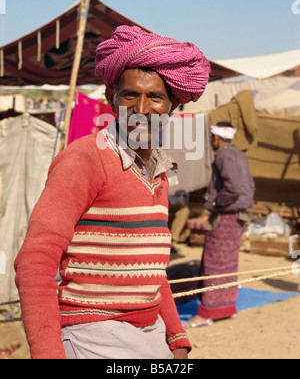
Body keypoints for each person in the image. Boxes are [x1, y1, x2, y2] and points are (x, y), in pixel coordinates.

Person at [14, 25, 210, 359]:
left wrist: (177, 337)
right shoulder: (85, 159)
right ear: (111, 100)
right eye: (130, 95)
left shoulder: (159, 172)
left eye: (155, 98)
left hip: (151, 337)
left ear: (173, 107)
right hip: (94, 338)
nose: (142, 109)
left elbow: (152, 271)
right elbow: (36, 260)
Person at [184, 121, 255, 328]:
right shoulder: (240, 155)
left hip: (224, 216)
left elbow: (233, 187)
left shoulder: (223, 156)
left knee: (214, 263)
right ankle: (227, 308)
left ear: (215, 137)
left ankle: (208, 311)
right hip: (237, 217)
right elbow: (247, 186)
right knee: (228, 263)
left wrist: (215, 203)